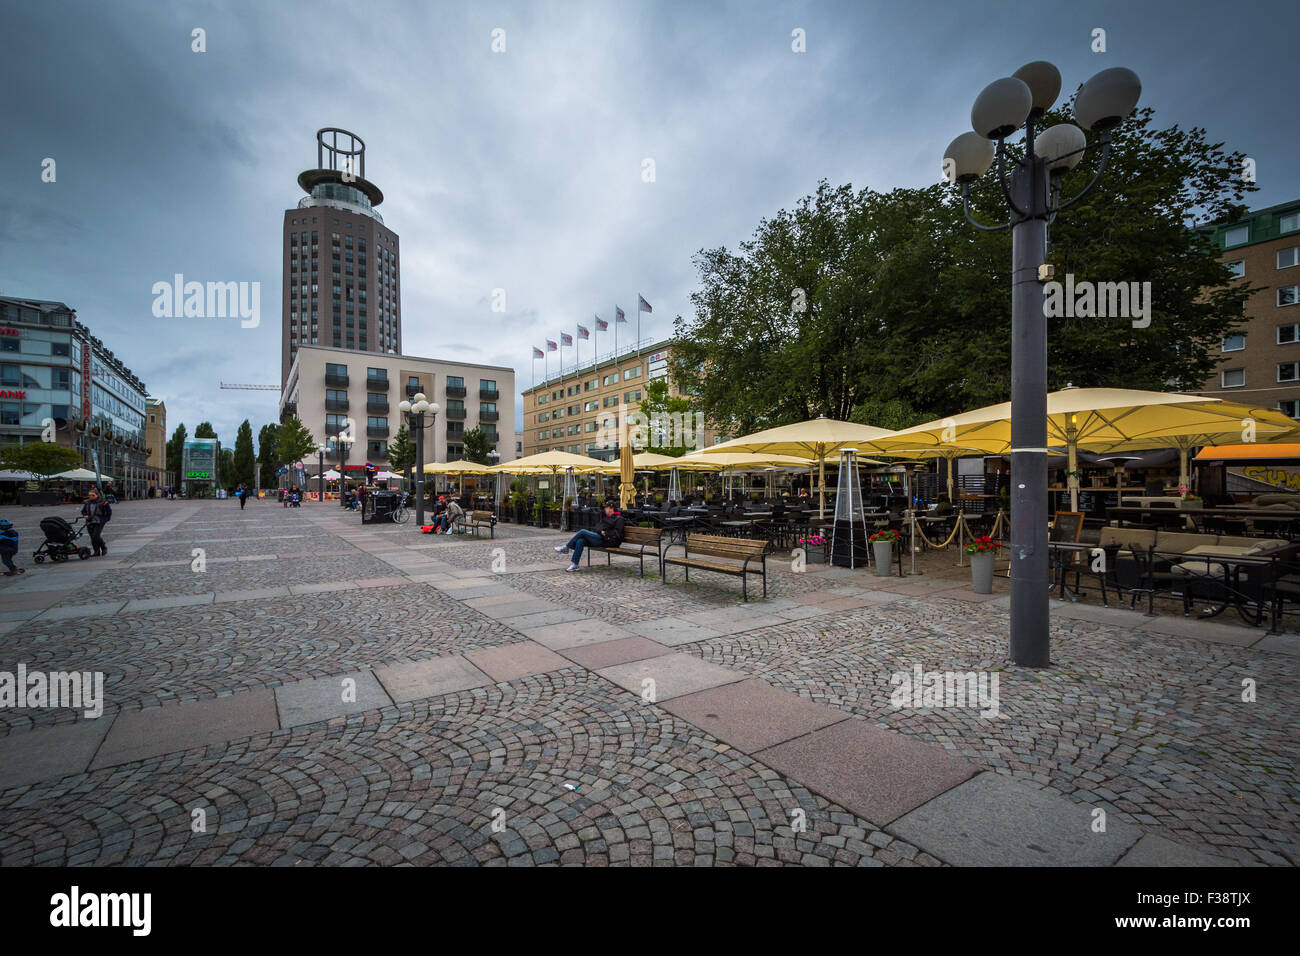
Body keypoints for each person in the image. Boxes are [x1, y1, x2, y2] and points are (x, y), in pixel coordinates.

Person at [555, 501, 624, 572]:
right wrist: (601, 531)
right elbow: (597, 527)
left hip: (608, 541)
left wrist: (605, 533)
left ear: (611, 509)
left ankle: (567, 547)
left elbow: (617, 533)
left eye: (606, 508)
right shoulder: (606, 518)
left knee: (582, 531)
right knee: (580, 541)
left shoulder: (619, 519)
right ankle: (575, 564)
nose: (605, 509)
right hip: (599, 538)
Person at [80, 487, 112, 557]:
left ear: (97, 495)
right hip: (90, 521)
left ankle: (103, 547)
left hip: (99, 521)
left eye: (93, 495)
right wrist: (85, 515)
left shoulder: (103, 502)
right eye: (89, 495)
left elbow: (109, 512)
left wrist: (106, 519)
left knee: (96, 536)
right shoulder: (87, 502)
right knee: (92, 537)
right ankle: (96, 551)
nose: (91, 497)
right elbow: (83, 511)